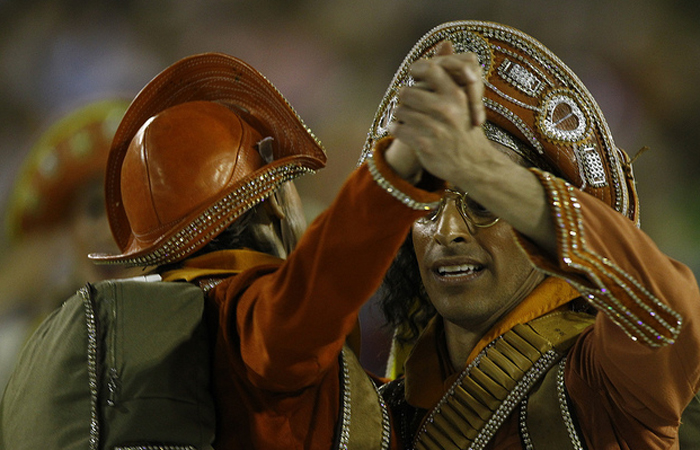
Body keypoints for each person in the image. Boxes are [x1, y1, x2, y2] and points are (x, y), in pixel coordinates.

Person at [1, 51, 470, 450]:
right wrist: (401, 164)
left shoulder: (154, 339)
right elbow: (317, 283)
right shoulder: (244, 318)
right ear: (270, 205)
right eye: (288, 185)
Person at [357, 21, 700, 449]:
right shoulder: (382, 412)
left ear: (543, 234)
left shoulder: (604, 386)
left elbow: (669, 316)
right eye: (427, 205)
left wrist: (482, 169)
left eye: (483, 205)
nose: (447, 232)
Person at [0, 99, 135, 392]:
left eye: (126, 210)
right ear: (69, 228)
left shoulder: (192, 333)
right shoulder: (18, 354)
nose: (109, 231)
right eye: (94, 209)